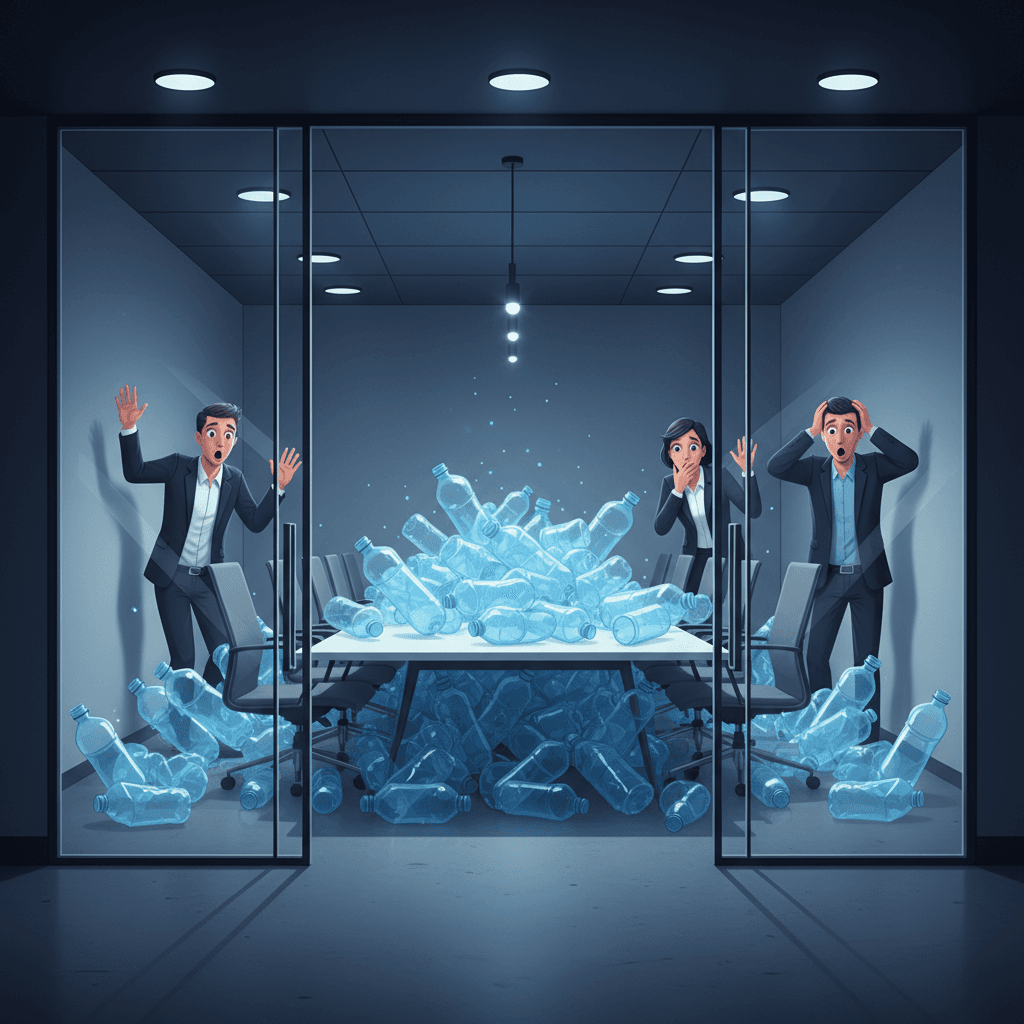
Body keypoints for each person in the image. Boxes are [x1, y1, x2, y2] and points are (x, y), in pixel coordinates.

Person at [116, 385, 301, 686]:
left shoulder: (234, 480)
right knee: (183, 659)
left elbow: (254, 521)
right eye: (213, 432)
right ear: (199, 438)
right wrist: (129, 428)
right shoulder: (178, 467)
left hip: (207, 580)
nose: (221, 441)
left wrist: (276, 489)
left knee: (225, 652)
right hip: (171, 578)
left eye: (228, 434)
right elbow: (135, 472)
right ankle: (183, 722)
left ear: (235, 441)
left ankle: (206, 706)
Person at [766, 397, 918, 743]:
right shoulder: (814, 470)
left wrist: (872, 427)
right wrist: (810, 430)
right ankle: (825, 729)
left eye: (848, 430)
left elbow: (909, 460)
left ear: (857, 436)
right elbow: (776, 466)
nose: (840, 438)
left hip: (868, 579)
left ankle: (867, 740)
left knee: (867, 664)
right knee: (815, 655)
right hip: (827, 579)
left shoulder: (874, 467)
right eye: (832, 430)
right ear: (824, 436)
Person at [654, 417, 761, 594]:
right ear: (670, 454)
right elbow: (661, 528)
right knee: (692, 608)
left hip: (728, 555)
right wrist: (678, 491)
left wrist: (747, 470)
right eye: (677, 448)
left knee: (727, 609)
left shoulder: (720, 476)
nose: (686, 455)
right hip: (696, 558)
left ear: (703, 451)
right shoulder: (669, 484)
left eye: (693, 447)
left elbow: (754, 511)